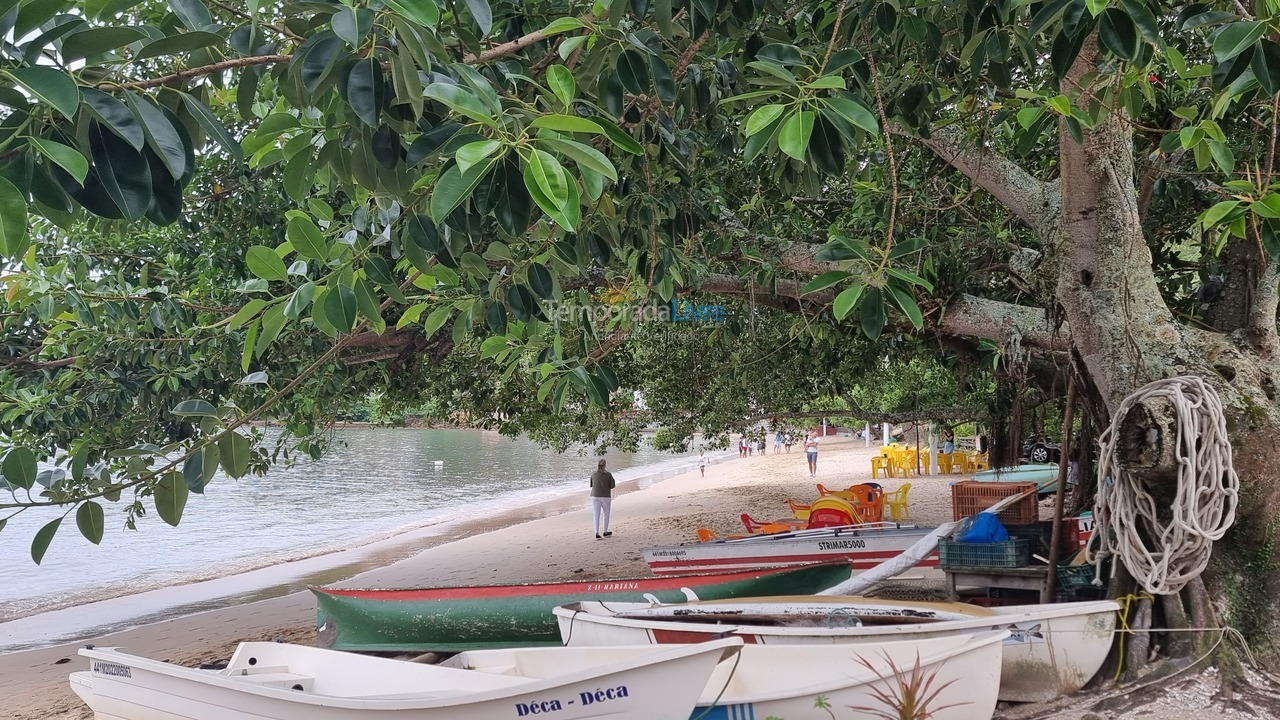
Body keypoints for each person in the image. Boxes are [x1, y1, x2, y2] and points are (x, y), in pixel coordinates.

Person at [589, 459, 615, 539]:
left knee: (596, 514)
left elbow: (591, 485)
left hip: (595, 496)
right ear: (605, 465)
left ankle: (596, 532)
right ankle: (605, 531)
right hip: (605, 496)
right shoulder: (608, 475)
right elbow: (612, 486)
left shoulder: (593, 474)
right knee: (606, 514)